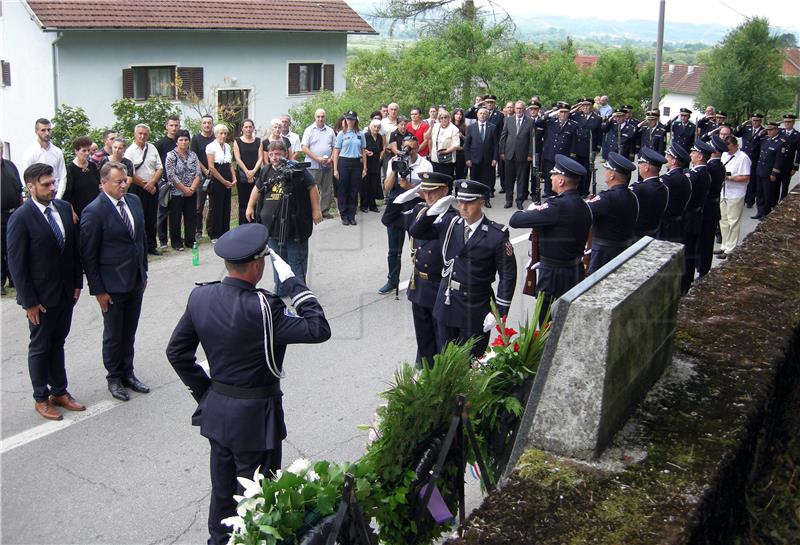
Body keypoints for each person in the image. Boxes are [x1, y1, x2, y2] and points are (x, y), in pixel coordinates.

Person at [165, 222, 331, 545]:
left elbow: (176, 352)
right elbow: (318, 328)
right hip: (257, 421)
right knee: (257, 502)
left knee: (223, 492)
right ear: (257, 266)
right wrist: (294, 284)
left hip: (218, 415)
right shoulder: (266, 309)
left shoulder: (200, 297)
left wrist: (207, 393)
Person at [7, 163, 85, 420]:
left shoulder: (62, 208)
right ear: (31, 187)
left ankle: (59, 391)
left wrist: (76, 282)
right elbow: (17, 265)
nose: (52, 188)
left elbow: (73, 250)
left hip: (65, 293)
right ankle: (41, 397)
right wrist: (28, 301)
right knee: (40, 346)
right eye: (46, 184)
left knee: (58, 342)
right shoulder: (20, 218)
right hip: (39, 299)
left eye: (53, 183)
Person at [409, 179, 516, 357]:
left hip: (475, 305)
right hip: (447, 302)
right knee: (446, 360)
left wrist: (499, 311)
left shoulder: (496, 235)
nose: (463, 207)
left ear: (481, 202)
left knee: (472, 363)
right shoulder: (451, 225)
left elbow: (508, 275)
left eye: (469, 202)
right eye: (460, 201)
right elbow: (417, 232)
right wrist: (432, 212)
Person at [79, 162, 150, 401]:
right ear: (104, 184)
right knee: (114, 334)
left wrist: (144, 272)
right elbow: (88, 256)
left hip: (135, 280)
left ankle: (128, 372)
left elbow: (141, 240)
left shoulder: (134, 202)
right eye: (118, 181)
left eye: (125, 180)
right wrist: (98, 290)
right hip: (112, 285)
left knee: (129, 331)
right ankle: (114, 377)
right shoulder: (94, 211)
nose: (124, 184)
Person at [510, 155, 591, 317]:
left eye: (554, 175)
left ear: (561, 181)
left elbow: (515, 220)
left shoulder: (556, 206)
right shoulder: (583, 205)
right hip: (575, 270)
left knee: (546, 322)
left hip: (553, 276)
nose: (551, 177)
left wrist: (532, 210)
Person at [393, 172, 457, 367]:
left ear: (445, 192)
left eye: (433, 191)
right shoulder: (421, 211)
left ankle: (443, 380)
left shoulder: (452, 218)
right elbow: (390, 221)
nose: (428, 196)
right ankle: (425, 374)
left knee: (443, 341)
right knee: (424, 341)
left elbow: (421, 231)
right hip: (419, 285)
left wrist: (434, 212)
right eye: (425, 191)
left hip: (440, 286)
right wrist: (399, 200)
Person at [245, 140, 322, 296]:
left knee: (296, 259)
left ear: (285, 154)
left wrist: (316, 210)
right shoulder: (266, 171)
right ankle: (280, 289)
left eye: (278, 154)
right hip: (271, 227)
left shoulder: (296, 169)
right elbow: (257, 188)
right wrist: (250, 206)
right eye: (271, 154)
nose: (274, 157)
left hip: (295, 225)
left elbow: (312, 187)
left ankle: (299, 291)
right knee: (277, 260)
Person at [379, 135, 432, 294]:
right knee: (393, 250)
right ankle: (392, 280)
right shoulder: (394, 161)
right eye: (406, 148)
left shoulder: (425, 165)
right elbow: (387, 188)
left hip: (416, 209)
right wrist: (395, 170)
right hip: (396, 208)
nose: (409, 151)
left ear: (417, 148)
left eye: (412, 148)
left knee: (419, 249)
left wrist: (409, 187)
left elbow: (429, 195)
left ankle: (420, 280)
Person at [586, 152, 639, 274]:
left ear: (612, 175)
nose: (604, 173)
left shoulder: (606, 198)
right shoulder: (632, 195)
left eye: (607, 170)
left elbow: (584, 212)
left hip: (603, 253)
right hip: (623, 248)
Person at [124, 124, 163, 255]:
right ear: (135, 134)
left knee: (152, 217)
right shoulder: (129, 151)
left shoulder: (152, 148)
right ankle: (141, 247)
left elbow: (160, 168)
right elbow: (130, 172)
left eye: (145, 134)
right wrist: (145, 185)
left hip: (152, 185)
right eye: (140, 133)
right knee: (139, 217)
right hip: (137, 188)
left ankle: (152, 246)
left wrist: (152, 183)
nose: (142, 136)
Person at [681, 140, 713, 293]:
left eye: (693, 152)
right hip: (696, 215)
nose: (691, 155)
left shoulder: (695, 176)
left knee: (687, 253)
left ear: (700, 156)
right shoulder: (704, 172)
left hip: (690, 217)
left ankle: (685, 284)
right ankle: (687, 281)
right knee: (691, 252)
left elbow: (687, 197)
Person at [164, 130, 201, 251]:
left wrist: (192, 188)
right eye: (181, 140)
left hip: (191, 191)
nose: (184, 142)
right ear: (176, 142)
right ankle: (176, 242)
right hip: (176, 192)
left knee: (191, 217)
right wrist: (184, 189)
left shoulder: (193, 155)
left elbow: (198, 173)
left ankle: (190, 240)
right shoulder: (171, 155)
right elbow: (171, 175)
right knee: (175, 218)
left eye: (186, 139)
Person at [696, 135, 727, 278]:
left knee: (704, 243)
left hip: (706, 209)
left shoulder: (710, 167)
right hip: (713, 208)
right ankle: (703, 269)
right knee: (706, 243)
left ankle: (702, 270)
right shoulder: (719, 166)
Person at [716, 135, 751, 259]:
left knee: (733, 221)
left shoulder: (743, 158)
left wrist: (729, 178)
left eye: (730, 148)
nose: (728, 151)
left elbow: (746, 177)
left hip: (736, 193)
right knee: (723, 220)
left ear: (736, 145)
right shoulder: (725, 155)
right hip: (724, 192)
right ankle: (724, 246)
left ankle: (730, 248)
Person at [535, 102, 578, 198]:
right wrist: (550, 114)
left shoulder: (573, 125)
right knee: (548, 174)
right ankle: (548, 191)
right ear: (558, 113)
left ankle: (560, 192)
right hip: (550, 153)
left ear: (568, 113)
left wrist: (572, 156)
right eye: (561, 112)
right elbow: (537, 122)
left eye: (565, 112)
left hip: (564, 155)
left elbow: (574, 142)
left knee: (561, 175)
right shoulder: (550, 122)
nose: (563, 114)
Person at [332, 110, 367, 226]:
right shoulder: (342, 134)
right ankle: (344, 215)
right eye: (348, 119)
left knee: (354, 190)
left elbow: (363, 151)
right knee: (343, 190)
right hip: (344, 162)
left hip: (356, 163)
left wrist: (364, 168)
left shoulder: (360, 134)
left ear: (355, 120)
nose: (350, 121)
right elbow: (336, 152)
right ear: (345, 120)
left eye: (352, 119)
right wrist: (335, 169)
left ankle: (352, 215)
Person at [301, 109, 336, 219]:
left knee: (327, 189)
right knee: (312, 189)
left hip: (327, 165)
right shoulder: (309, 130)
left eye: (322, 116)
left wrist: (331, 159)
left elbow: (335, 147)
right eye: (318, 117)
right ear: (314, 117)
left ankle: (324, 211)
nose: (320, 119)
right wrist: (317, 159)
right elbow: (304, 147)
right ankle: (311, 211)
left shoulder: (330, 131)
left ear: (325, 117)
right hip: (313, 165)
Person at [499, 101, 534, 208]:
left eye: (521, 108)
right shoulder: (508, 120)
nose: (519, 110)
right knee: (509, 179)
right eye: (517, 108)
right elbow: (503, 136)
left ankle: (519, 201)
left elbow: (531, 140)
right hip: (509, 154)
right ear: (514, 109)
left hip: (523, 155)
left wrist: (530, 154)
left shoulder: (530, 121)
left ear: (524, 110)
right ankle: (509, 201)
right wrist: (502, 152)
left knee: (521, 180)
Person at [21, 118, 67, 199]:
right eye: (43, 130)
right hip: (39, 195)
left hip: (55, 194)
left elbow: (63, 176)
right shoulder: (30, 153)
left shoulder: (57, 152)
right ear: (36, 132)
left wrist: (58, 198)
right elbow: (27, 178)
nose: (47, 133)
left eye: (49, 130)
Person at [656, 142, 692, 244]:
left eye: (668, 156)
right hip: (679, 223)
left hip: (666, 225)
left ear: (674, 161)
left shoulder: (667, 179)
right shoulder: (686, 177)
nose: (666, 157)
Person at [206, 124, 236, 241]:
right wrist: (224, 181)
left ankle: (225, 232)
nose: (223, 136)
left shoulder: (227, 146)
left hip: (227, 178)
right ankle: (215, 234)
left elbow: (229, 164)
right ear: (216, 134)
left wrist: (234, 178)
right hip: (217, 179)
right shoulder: (210, 147)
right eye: (221, 133)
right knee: (216, 207)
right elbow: (211, 167)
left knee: (226, 206)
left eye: (225, 133)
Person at [631, 147, 669, 239]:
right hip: (655, 233)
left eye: (640, 163)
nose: (638, 166)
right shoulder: (664, 187)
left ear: (646, 167)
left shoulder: (638, 189)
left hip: (637, 236)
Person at [464, 106, 499, 206]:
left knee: (486, 181)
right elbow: (467, 145)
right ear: (477, 115)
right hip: (474, 159)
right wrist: (468, 158)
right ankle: (474, 200)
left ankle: (486, 200)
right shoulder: (471, 127)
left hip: (488, 160)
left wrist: (494, 158)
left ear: (487, 115)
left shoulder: (492, 127)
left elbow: (496, 144)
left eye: (484, 113)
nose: (482, 115)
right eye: (480, 113)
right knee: (475, 180)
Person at [752, 121, 787, 219]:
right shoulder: (765, 139)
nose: (768, 132)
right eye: (767, 130)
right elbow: (753, 145)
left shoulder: (781, 142)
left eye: (771, 130)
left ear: (776, 130)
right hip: (760, 170)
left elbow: (779, 160)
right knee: (759, 193)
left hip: (769, 172)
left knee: (768, 194)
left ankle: (766, 213)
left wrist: (774, 173)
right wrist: (759, 135)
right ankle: (759, 211)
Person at [155, 115, 181, 249]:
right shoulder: (160, 144)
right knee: (163, 212)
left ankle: (176, 238)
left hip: (179, 183)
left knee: (176, 213)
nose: (174, 128)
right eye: (171, 125)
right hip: (164, 182)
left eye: (176, 125)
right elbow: (156, 163)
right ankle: (163, 240)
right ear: (166, 126)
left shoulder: (182, 142)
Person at [1, 145, 23, 295]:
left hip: (13, 213)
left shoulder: (10, 166)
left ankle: (13, 278)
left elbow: (19, 189)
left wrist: (21, 209)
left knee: (13, 247)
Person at [569, 98, 602, 196]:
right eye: (583, 105)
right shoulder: (576, 116)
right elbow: (567, 114)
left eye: (588, 105)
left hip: (589, 147)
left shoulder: (597, 118)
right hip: (577, 147)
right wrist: (576, 107)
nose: (586, 107)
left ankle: (584, 191)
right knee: (576, 170)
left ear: (592, 106)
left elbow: (599, 135)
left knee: (587, 171)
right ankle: (576, 190)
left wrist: (597, 149)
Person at [62, 136, 101, 219]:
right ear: (76, 151)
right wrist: (72, 212)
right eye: (84, 151)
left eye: (88, 150)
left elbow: (99, 185)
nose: (87, 153)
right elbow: (67, 195)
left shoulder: (92, 166)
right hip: (80, 212)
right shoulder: (70, 170)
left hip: (96, 210)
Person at [233, 119, 262, 226]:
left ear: (253, 128)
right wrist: (247, 172)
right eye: (246, 127)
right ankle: (243, 225)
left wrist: (253, 171)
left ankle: (255, 225)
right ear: (242, 129)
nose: (248, 129)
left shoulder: (258, 141)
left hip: (256, 173)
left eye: (250, 127)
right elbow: (237, 158)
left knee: (256, 200)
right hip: (242, 174)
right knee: (243, 201)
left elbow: (260, 158)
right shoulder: (237, 141)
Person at [191, 115, 216, 239]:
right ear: (201, 124)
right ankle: (198, 231)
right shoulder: (196, 139)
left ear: (212, 124)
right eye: (205, 123)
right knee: (198, 205)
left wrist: (212, 170)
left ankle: (210, 230)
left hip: (215, 175)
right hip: (200, 176)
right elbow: (194, 157)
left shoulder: (216, 138)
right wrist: (205, 170)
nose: (207, 125)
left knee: (213, 205)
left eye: (209, 123)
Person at [734, 113, 764, 209]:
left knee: (752, 180)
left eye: (757, 120)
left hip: (755, 158)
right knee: (742, 176)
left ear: (760, 121)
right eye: (754, 120)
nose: (755, 122)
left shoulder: (764, 131)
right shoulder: (746, 128)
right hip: (744, 157)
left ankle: (750, 200)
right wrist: (742, 125)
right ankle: (742, 198)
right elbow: (735, 133)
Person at [426, 108, 461, 178]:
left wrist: (445, 152)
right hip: (435, 159)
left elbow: (456, 145)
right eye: (441, 118)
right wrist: (431, 127)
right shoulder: (436, 126)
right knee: (436, 180)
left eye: (445, 117)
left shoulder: (454, 129)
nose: (443, 119)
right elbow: (426, 137)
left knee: (446, 181)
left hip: (447, 160)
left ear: (449, 118)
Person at [361, 119, 384, 212]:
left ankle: (372, 205)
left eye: (378, 127)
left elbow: (381, 148)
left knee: (374, 185)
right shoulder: (365, 136)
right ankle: (363, 205)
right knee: (365, 185)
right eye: (374, 127)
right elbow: (361, 148)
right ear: (370, 127)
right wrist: (366, 152)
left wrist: (380, 157)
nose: (376, 129)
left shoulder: (379, 137)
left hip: (376, 163)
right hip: (366, 163)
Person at [778, 114, 799, 201]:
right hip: (777, 163)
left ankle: (782, 201)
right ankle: (773, 203)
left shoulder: (797, 135)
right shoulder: (780, 132)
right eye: (785, 121)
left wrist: (795, 167)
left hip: (788, 164)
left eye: (789, 122)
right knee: (774, 186)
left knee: (785, 186)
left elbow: (799, 153)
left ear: (793, 123)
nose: (787, 123)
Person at [452, 108, 468, 180]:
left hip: (461, 152)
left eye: (460, 114)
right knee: (451, 172)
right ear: (453, 115)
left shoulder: (465, 126)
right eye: (457, 114)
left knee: (460, 173)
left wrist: (462, 136)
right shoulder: (450, 125)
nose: (459, 116)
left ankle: (459, 190)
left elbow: (468, 140)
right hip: (451, 151)